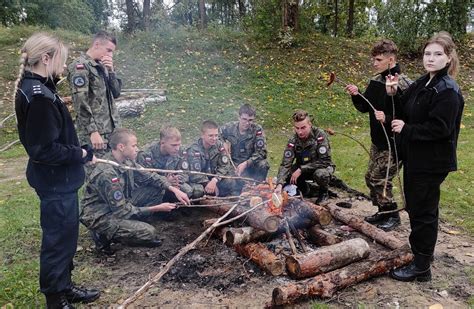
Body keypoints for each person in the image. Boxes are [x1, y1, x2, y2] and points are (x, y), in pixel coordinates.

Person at [14, 33, 99, 308]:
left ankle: (65, 286)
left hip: (60, 180)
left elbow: (54, 138)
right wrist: (81, 154)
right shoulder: (39, 96)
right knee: (57, 240)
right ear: (46, 58)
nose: (65, 67)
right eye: (61, 60)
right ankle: (55, 298)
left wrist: (79, 149)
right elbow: (43, 149)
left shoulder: (40, 88)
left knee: (67, 236)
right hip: (54, 181)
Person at [386, 32, 464, 281]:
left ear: (448, 57)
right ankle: (422, 255)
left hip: (431, 161)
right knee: (418, 208)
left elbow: (441, 128)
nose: (431, 59)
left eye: (437, 54)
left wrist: (407, 129)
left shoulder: (447, 90)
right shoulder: (426, 81)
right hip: (417, 157)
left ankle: (421, 268)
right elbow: (406, 106)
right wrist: (393, 93)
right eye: (427, 54)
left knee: (423, 211)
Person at [80, 129, 190, 252]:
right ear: (121, 147)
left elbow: (150, 176)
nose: (137, 149)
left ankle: (129, 225)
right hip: (101, 214)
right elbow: (122, 210)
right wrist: (158, 208)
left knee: (157, 190)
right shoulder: (107, 174)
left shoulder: (126, 161)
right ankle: (102, 235)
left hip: (120, 204)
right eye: (133, 146)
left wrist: (174, 190)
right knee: (149, 233)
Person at [345, 39, 412, 230]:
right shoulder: (376, 81)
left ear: (391, 60)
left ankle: (392, 216)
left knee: (380, 179)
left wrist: (389, 118)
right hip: (378, 141)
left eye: (378, 59)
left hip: (395, 142)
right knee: (370, 177)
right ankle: (382, 212)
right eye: (373, 59)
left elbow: (412, 115)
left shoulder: (404, 83)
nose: (374, 63)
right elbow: (365, 107)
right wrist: (356, 94)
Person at [67, 31, 121, 153]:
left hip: (111, 131)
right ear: (96, 44)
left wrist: (111, 72)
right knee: (97, 170)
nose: (110, 55)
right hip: (95, 135)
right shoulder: (80, 66)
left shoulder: (102, 66)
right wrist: (93, 131)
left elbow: (116, 93)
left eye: (112, 51)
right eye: (108, 50)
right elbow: (80, 101)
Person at [274, 110, 335, 203]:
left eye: (303, 128)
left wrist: (301, 169)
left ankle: (324, 193)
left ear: (309, 124)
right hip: (302, 167)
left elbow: (325, 161)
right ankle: (306, 190)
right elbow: (285, 164)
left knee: (321, 175)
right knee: (287, 175)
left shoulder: (319, 135)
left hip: (321, 167)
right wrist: (279, 184)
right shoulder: (293, 140)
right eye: (297, 128)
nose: (300, 132)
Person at [136, 126, 204, 199]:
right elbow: (145, 179)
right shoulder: (146, 155)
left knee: (195, 190)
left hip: (175, 183)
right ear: (162, 143)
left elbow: (184, 172)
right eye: (173, 145)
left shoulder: (181, 151)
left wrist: (177, 179)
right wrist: (166, 181)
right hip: (154, 187)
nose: (177, 148)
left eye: (179, 144)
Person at [187, 120, 241, 197]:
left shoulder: (219, 145)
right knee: (198, 192)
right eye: (211, 136)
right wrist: (207, 182)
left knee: (230, 182)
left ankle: (220, 198)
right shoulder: (193, 149)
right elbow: (194, 174)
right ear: (202, 135)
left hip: (214, 178)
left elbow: (225, 166)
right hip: (199, 182)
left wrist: (215, 180)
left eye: (216, 135)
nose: (214, 138)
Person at [219, 104, 270, 181]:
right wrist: (222, 143)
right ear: (239, 117)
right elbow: (216, 134)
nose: (247, 123)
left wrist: (246, 163)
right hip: (233, 164)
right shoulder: (229, 127)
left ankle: (257, 186)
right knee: (230, 183)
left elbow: (262, 152)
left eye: (250, 120)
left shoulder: (257, 129)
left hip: (250, 165)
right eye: (244, 119)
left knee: (263, 164)